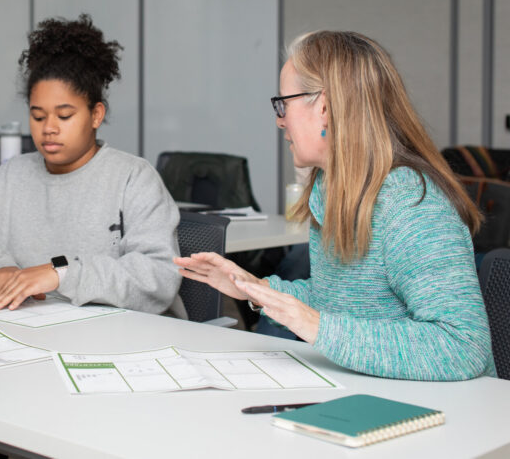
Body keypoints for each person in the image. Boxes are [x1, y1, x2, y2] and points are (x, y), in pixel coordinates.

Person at [175, 30, 495, 381]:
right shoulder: (330, 189)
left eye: (283, 104)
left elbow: (464, 346)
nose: (280, 120)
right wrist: (255, 288)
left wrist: (317, 327)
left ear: (324, 107)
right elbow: (337, 302)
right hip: (365, 386)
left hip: (439, 406)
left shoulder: (410, 205)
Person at [0, 14, 182, 314]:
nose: (48, 128)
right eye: (38, 116)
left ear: (96, 115)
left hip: (121, 333)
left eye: (64, 116)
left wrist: (61, 274)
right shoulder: (10, 177)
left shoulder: (133, 178)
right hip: (35, 328)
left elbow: (158, 276)